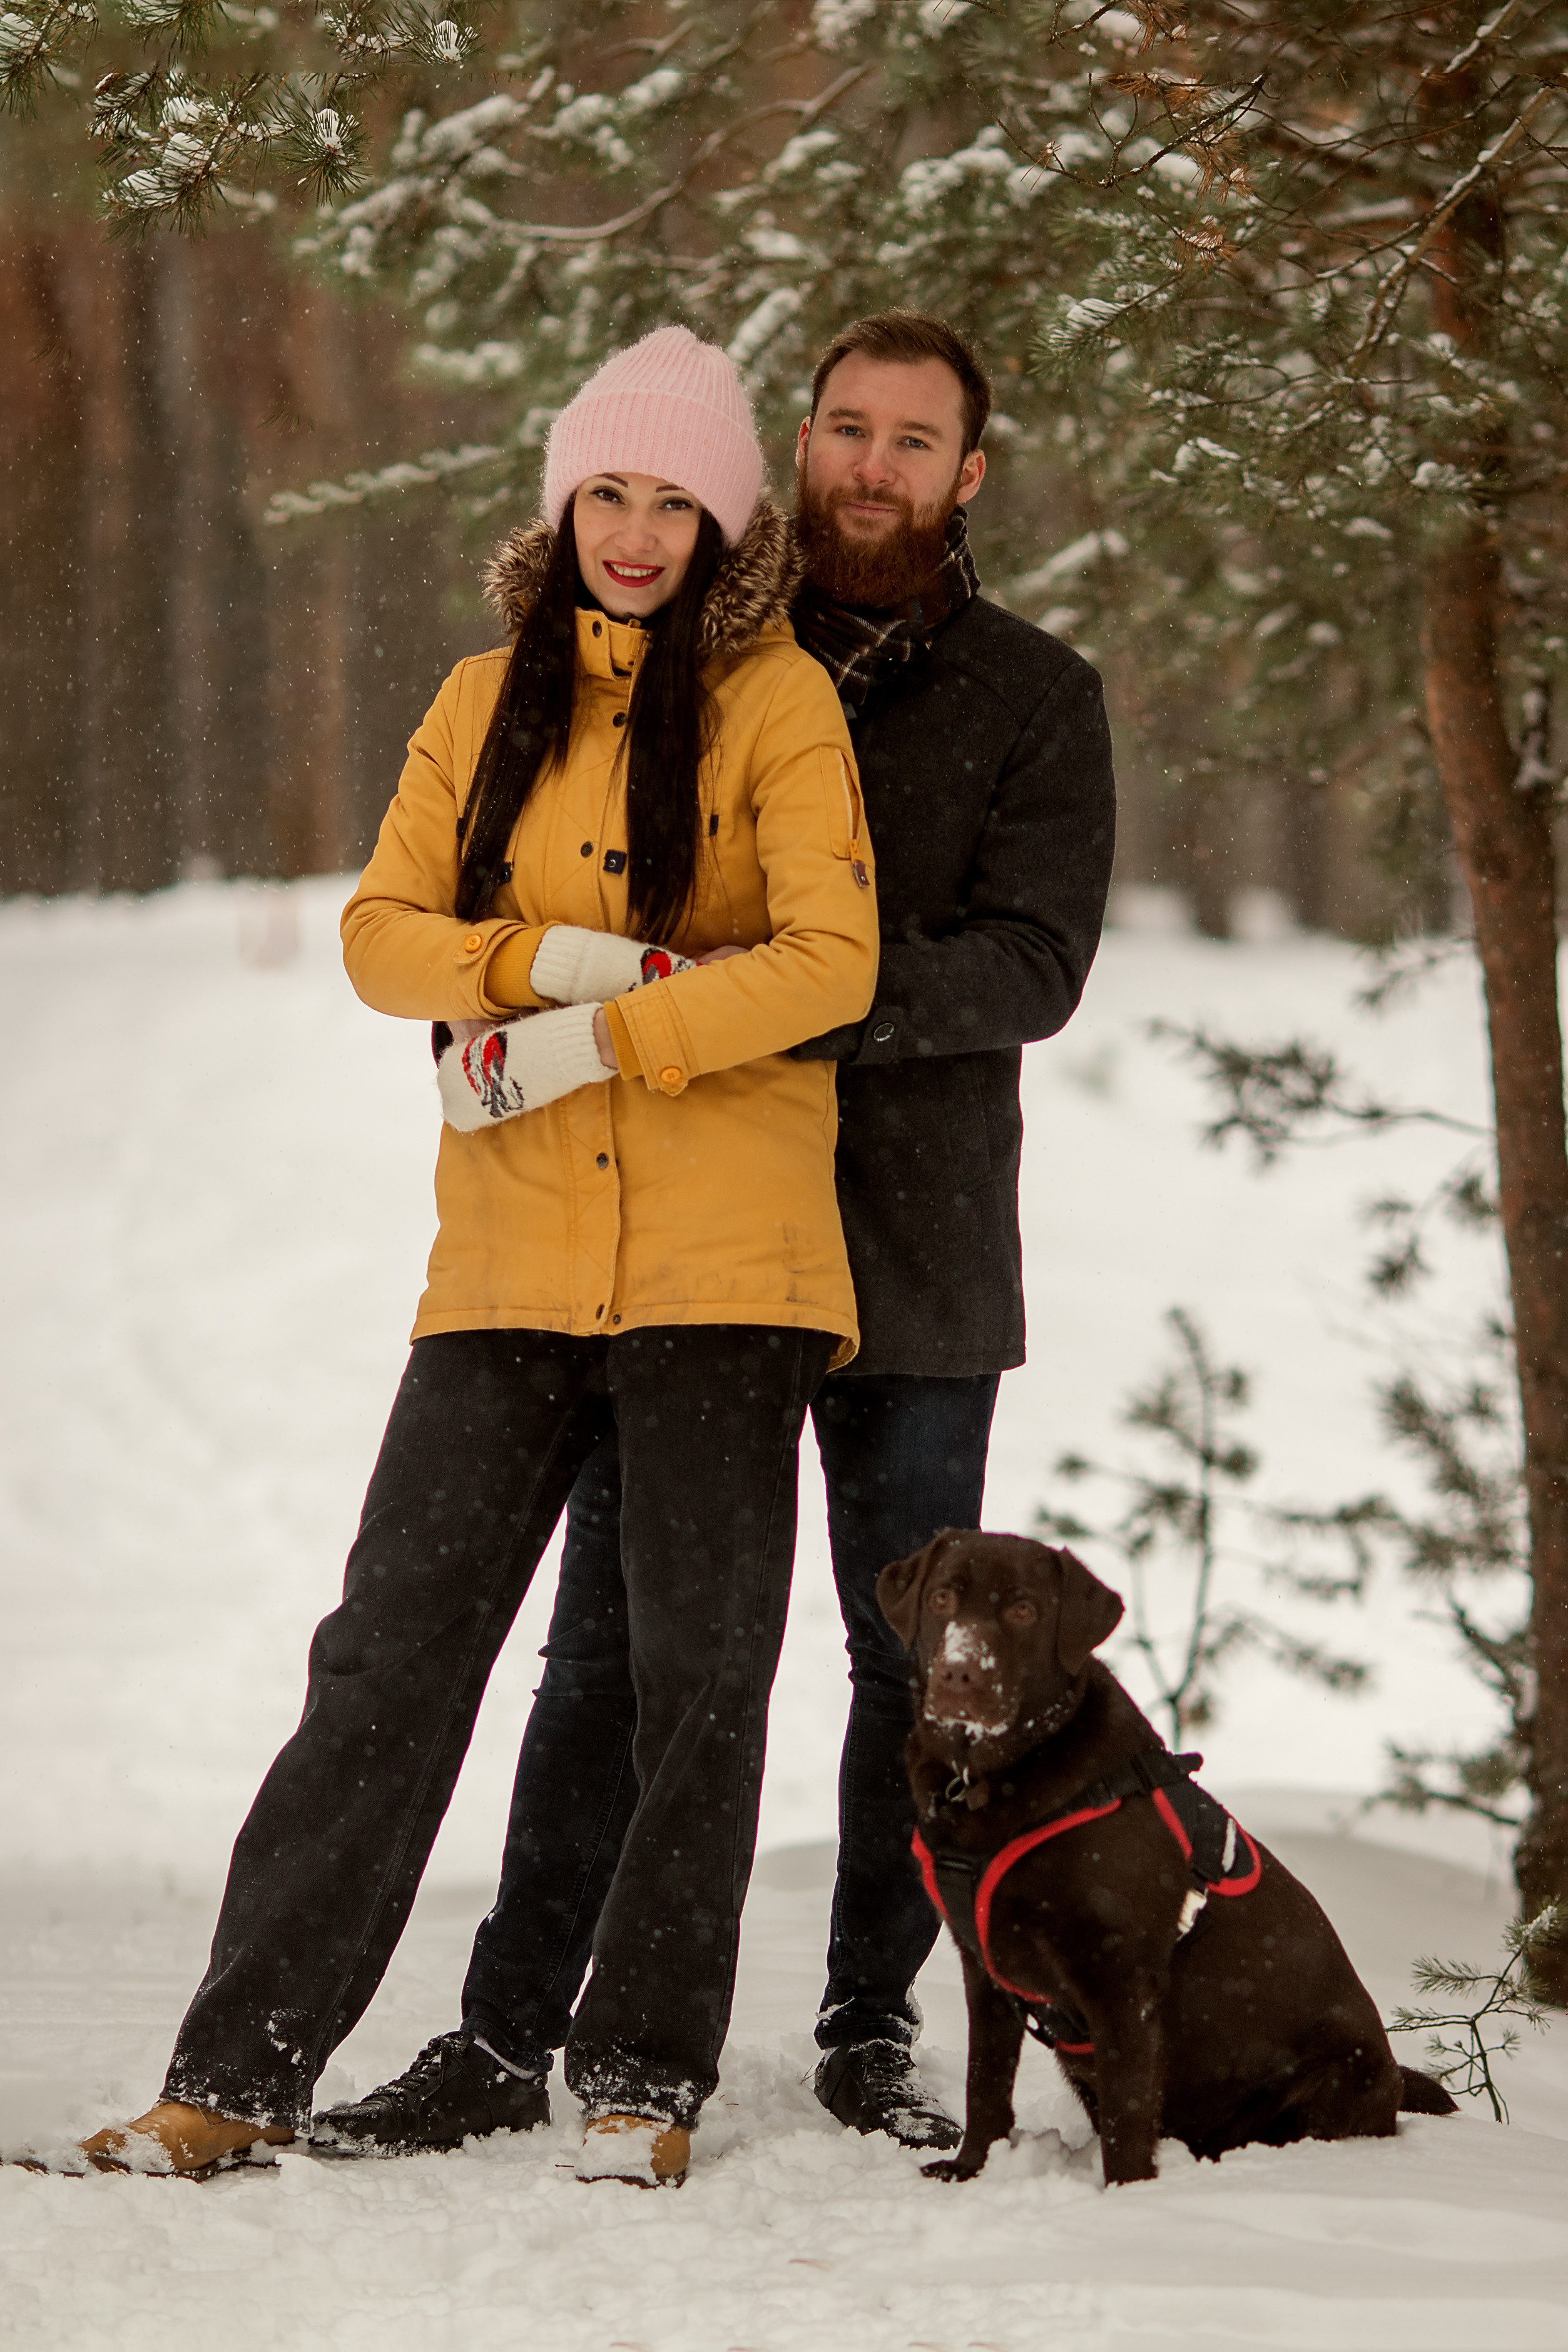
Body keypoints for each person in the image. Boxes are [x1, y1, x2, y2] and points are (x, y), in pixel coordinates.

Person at [77, 325, 880, 2191]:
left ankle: (642, 2079)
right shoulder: (477, 696)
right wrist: (549, 966)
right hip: (507, 1265)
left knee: (698, 1677)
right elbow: (378, 936)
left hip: (725, 1264)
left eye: (674, 499)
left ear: (724, 525)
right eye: (608, 489)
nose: (634, 528)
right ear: (562, 501)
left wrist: (621, 1035)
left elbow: (831, 962)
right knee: (385, 1659)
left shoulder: (777, 707)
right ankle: (235, 2076)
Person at [318, 311, 1117, 2161]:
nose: (871, 465)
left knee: (902, 1653)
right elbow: (511, 897)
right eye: (843, 428)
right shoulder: (685, 662)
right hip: (672, 1233)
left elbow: (1033, 962)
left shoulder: (1025, 692)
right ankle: (510, 2030)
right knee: (615, 1648)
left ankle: (864, 2021)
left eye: (912, 442)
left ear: (966, 475)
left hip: (907, 1234)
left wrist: (780, 1000)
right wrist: (558, 1004)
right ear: (792, 459)